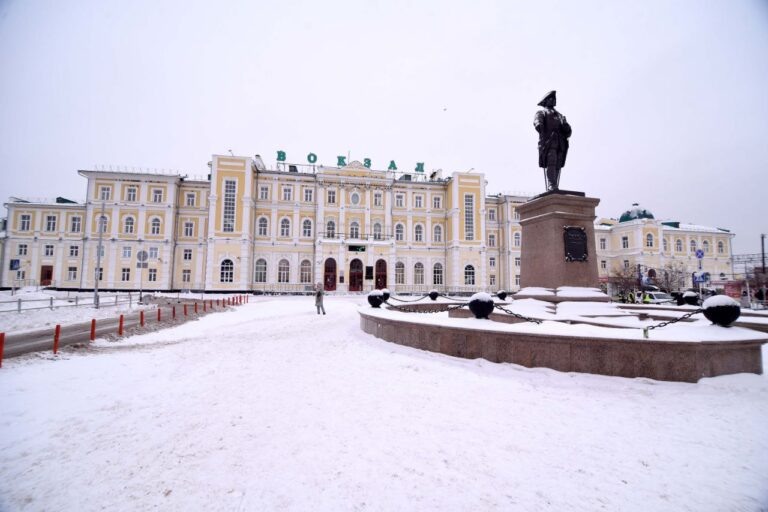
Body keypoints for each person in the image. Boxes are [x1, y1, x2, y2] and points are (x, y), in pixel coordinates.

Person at [534, 90, 572, 191]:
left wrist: (566, 127)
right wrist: (539, 124)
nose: (553, 100)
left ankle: (555, 184)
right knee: (551, 162)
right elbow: (537, 121)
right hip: (549, 142)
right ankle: (551, 184)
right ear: (545, 101)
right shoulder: (541, 112)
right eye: (551, 98)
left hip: (560, 143)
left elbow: (568, 131)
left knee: (558, 163)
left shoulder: (560, 115)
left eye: (554, 98)